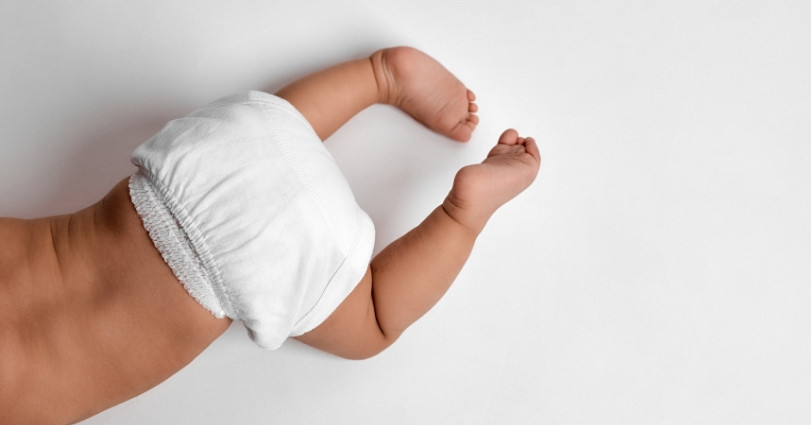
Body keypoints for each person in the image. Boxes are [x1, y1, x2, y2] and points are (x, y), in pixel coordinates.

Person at [0, 46, 540, 424]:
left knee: (373, 320)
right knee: (280, 132)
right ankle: (382, 75)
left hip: (235, 274)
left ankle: (461, 214)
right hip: (195, 164)